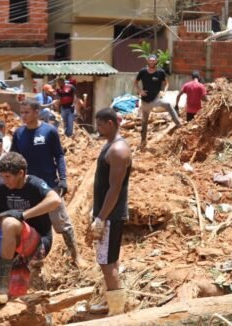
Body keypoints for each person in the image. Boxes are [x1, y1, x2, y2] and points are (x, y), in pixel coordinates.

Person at [11, 100, 82, 266]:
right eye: (21, 112)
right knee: (29, 224)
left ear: (36, 112)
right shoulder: (18, 134)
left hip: (50, 186)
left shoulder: (49, 131)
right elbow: (13, 158)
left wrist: (63, 178)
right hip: (27, 188)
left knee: (62, 222)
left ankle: (76, 256)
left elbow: (59, 155)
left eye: (26, 112)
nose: (23, 116)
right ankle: (33, 258)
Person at [0, 152, 62, 305]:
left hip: (38, 243)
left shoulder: (35, 184)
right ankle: (3, 284)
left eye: (7, 176)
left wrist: (24, 215)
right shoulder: (4, 189)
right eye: (2, 176)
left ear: (21, 173)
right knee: (16, 295)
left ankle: (1, 286)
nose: (4, 180)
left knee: (10, 222)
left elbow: (55, 200)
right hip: (16, 243)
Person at [87, 108, 132, 316]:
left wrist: (101, 218)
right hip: (107, 214)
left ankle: (116, 313)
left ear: (111, 124)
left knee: (107, 263)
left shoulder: (118, 150)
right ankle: (112, 302)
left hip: (111, 216)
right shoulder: (110, 146)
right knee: (109, 260)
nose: (98, 128)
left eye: (100, 124)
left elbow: (115, 188)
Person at [134, 55, 181, 149]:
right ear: (147, 61)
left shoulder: (160, 72)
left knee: (168, 104)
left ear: (156, 62)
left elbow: (166, 83)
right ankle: (143, 141)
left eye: (153, 61)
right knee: (144, 122)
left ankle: (179, 124)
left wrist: (164, 91)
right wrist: (140, 91)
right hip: (145, 102)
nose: (152, 62)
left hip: (155, 99)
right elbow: (135, 82)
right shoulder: (143, 71)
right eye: (150, 60)